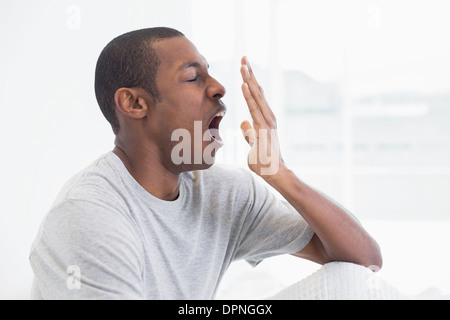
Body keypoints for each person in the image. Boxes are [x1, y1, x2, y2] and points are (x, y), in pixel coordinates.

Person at [29, 27, 382, 300]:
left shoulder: (224, 193)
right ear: (135, 104)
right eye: (193, 77)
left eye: (209, 74)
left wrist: (283, 177)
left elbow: (363, 262)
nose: (218, 88)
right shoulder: (89, 215)